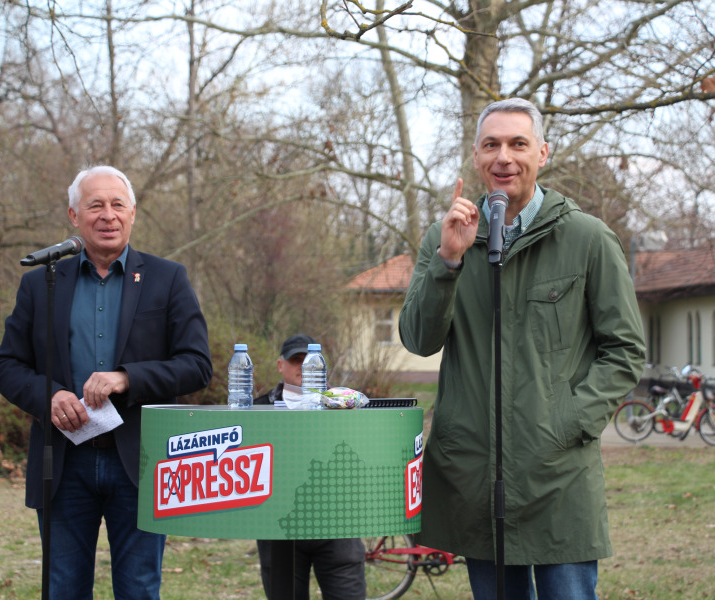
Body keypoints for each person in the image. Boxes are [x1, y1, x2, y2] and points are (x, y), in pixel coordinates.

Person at [398, 98, 645, 599]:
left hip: (558, 478)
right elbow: (418, 340)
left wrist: (568, 420)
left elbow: (624, 350)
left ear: (543, 153)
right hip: (474, 478)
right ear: (475, 157)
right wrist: (448, 262)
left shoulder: (587, 239)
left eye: (518, 144)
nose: (503, 157)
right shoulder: (445, 238)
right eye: (491, 145)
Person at [0, 165, 213, 600]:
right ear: (74, 216)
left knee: (139, 589)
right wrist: (48, 395)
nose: (107, 215)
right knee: (63, 589)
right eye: (95, 205)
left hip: (142, 464)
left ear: (133, 213)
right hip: (63, 464)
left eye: (117, 205)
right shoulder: (41, 284)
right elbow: (6, 365)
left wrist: (127, 377)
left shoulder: (168, 279)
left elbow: (197, 365)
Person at [254, 334, 366, 600]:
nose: (303, 367)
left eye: (309, 362)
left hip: (338, 525)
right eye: (296, 360)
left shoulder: (346, 405)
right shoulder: (256, 410)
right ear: (280, 365)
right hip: (278, 529)